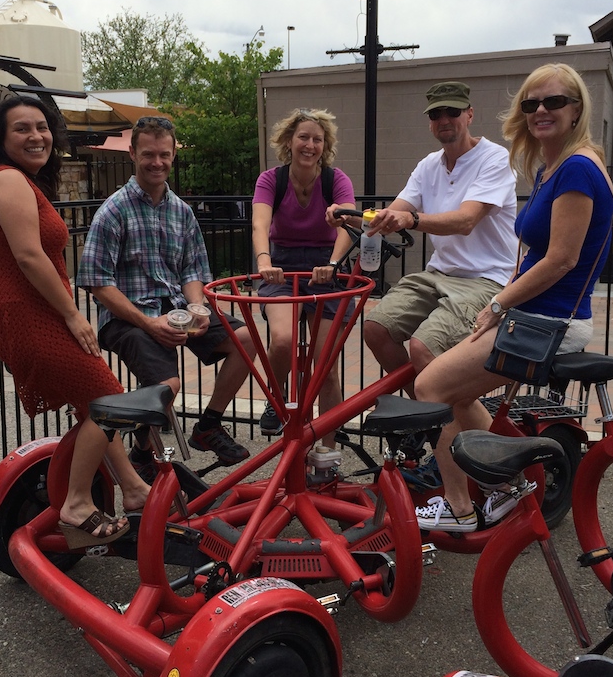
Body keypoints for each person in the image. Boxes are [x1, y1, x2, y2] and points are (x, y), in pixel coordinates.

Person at [413, 63, 613, 532]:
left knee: (431, 387)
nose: (541, 110)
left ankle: (463, 506)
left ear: (577, 110)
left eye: (554, 101)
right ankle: (506, 483)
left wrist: (498, 303)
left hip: (550, 321)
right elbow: (535, 251)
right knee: (454, 389)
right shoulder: (552, 166)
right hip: (534, 311)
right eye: (531, 103)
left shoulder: (577, 168)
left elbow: (561, 260)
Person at [0, 95, 151, 549]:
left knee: (94, 402)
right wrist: (73, 315)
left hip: (34, 313)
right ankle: (76, 503)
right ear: (0, 139)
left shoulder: (22, 182)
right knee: (110, 400)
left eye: (42, 127)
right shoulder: (7, 179)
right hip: (27, 317)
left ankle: (132, 488)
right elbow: (29, 256)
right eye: (22, 129)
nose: (36, 136)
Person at [77, 116, 255, 467]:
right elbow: (98, 282)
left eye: (164, 154)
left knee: (247, 340)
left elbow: (193, 271)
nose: (156, 162)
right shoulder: (113, 210)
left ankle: (208, 425)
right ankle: (143, 452)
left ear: (173, 155)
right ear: (132, 154)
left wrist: (197, 308)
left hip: (175, 309)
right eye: (148, 154)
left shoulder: (181, 211)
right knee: (167, 385)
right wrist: (148, 323)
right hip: (127, 317)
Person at [354, 81, 517, 399]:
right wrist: (346, 216)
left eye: (452, 111)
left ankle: (451, 424)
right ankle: (425, 412)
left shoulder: (495, 159)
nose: (444, 120)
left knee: (423, 346)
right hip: (439, 274)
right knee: (375, 329)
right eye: (435, 114)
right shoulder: (429, 165)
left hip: (487, 279)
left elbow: (466, 221)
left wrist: (412, 220)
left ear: (469, 114)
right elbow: (392, 214)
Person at [252, 108, 355, 451]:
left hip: (325, 267)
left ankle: (327, 454)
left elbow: (348, 223)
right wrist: (264, 260)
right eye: (303, 137)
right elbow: (260, 223)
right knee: (283, 339)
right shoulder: (272, 180)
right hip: (282, 267)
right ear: (289, 141)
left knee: (325, 368)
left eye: (317, 139)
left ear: (325, 145)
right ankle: (276, 395)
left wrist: (333, 263)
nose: (310, 145)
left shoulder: (335, 179)